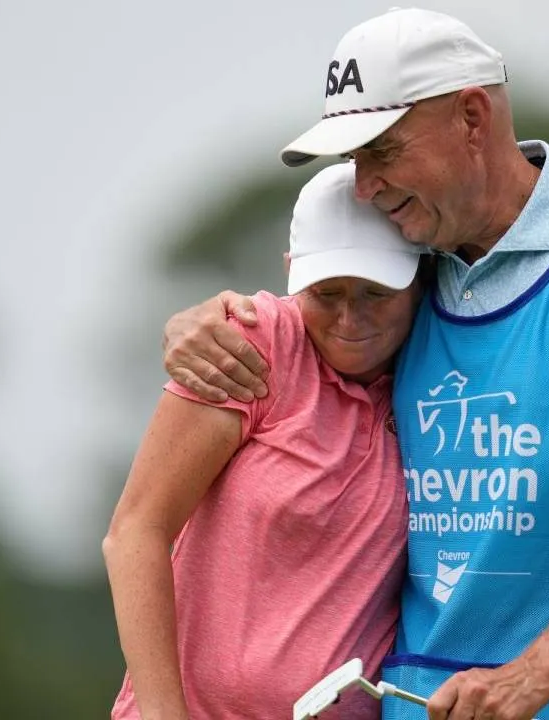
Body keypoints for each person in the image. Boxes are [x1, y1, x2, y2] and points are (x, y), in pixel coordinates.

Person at [161, 8, 549, 720]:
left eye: (383, 151)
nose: (363, 186)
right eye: (354, 161)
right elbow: (308, 324)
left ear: (471, 118)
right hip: (424, 697)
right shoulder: (408, 274)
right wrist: (197, 327)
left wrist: (530, 675)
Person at [102, 162, 430, 720]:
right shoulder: (256, 344)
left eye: (376, 293)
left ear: (419, 280)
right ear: (291, 272)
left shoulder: (439, 376)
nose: (350, 319)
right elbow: (136, 531)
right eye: (327, 293)